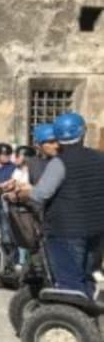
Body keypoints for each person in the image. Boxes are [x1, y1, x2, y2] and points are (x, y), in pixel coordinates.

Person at [19, 112, 104, 299]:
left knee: (70, 283)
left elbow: (41, 194)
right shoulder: (100, 158)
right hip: (97, 229)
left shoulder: (59, 162)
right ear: (83, 132)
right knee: (87, 276)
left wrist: (25, 193)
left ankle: (73, 317)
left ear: (58, 137)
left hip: (66, 231)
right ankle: (90, 312)